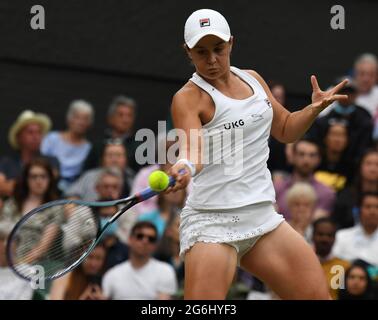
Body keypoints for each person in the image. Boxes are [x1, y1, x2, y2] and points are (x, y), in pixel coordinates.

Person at [167, 9, 348, 299]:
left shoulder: (252, 79)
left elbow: (286, 129)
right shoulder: (188, 98)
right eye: (201, 52)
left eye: (218, 49)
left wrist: (312, 110)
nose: (212, 60)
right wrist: (184, 167)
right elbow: (192, 151)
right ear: (187, 52)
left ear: (231, 44)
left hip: (262, 217)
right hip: (212, 223)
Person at [102, 221, 178, 300]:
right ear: (130, 239)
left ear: (155, 245)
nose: (145, 241)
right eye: (140, 236)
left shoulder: (165, 271)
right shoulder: (112, 274)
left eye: (151, 239)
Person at [0, 110, 59, 197]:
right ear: (18, 137)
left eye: (39, 132)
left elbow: (47, 186)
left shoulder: (51, 161)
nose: (36, 136)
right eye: (30, 132)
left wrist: (13, 184)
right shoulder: (6, 162)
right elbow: (1, 187)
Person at [275, 139, 335, 220]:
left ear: (319, 159)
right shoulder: (277, 188)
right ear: (292, 156)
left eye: (312, 155)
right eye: (301, 154)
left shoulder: (326, 193)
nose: (306, 160)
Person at [41, 100, 94, 191]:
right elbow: (40, 160)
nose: (81, 122)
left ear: (89, 124)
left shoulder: (88, 148)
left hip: (73, 189)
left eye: (85, 119)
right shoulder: (52, 139)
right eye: (77, 117)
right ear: (69, 119)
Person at [83, 95, 140, 172]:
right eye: (120, 115)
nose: (125, 120)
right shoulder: (99, 145)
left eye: (129, 115)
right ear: (111, 118)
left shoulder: (139, 147)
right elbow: (87, 172)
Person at [65, 140, 134, 201]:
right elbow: (72, 195)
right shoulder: (89, 176)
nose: (114, 160)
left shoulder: (132, 177)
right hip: (91, 214)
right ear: (102, 160)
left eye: (118, 155)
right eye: (110, 155)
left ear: (126, 159)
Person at [0, 157, 60, 226]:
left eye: (43, 176)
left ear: (50, 179)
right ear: (26, 180)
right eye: (34, 176)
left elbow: (51, 233)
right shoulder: (13, 202)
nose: (38, 181)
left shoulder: (55, 207)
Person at [332, 149, 378, 229]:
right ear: (360, 166)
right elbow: (337, 222)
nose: (373, 169)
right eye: (368, 164)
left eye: (377, 165)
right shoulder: (346, 195)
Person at [332, 192, 378, 266]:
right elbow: (334, 265)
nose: (372, 212)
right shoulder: (341, 236)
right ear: (359, 210)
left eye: (377, 207)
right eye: (368, 207)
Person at [312, 218, 350, 300]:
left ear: (335, 238)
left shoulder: (345, 266)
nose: (324, 239)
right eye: (320, 234)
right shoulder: (303, 263)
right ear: (312, 236)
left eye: (329, 235)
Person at [314, 119, 355, 191]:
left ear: (347, 140)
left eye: (342, 135)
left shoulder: (352, 166)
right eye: (334, 134)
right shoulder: (314, 161)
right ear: (325, 138)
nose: (337, 139)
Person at [0, 221, 34, 300]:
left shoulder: (29, 271)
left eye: (10, 240)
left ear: (18, 243)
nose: (6, 244)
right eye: (1, 239)